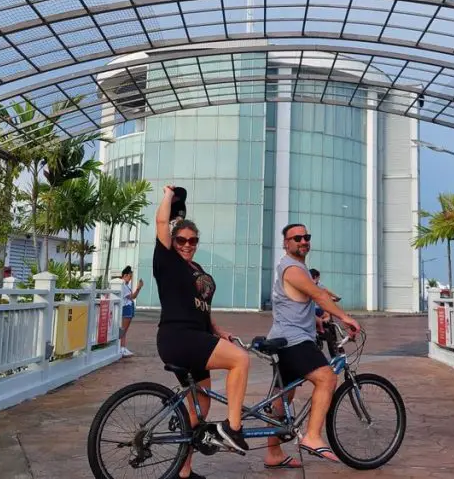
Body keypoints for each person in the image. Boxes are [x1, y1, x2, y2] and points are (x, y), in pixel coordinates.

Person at [152, 185, 251, 478]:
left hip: (196, 338)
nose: (186, 244)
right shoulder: (166, 259)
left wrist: (218, 331)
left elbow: (201, 307)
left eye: (192, 240)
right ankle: (233, 428)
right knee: (240, 360)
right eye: (181, 239)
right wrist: (169, 195)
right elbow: (160, 222)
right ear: (172, 239)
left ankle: (184, 471)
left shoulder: (194, 266)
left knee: (201, 404)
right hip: (178, 338)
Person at [264, 224, 360, 468]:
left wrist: (316, 321)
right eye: (296, 238)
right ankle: (313, 437)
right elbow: (318, 296)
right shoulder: (292, 268)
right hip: (293, 340)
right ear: (286, 243)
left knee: (283, 395)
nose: (303, 241)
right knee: (326, 378)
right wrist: (345, 317)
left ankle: (273, 453)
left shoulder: (297, 268)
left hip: (284, 338)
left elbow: (301, 298)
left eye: (306, 237)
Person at [118, 266, 143, 357]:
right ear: (125, 275)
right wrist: (138, 288)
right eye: (130, 276)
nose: (131, 278)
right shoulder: (123, 286)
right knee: (123, 330)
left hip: (128, 308)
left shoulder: (125, 286)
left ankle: (123, 347)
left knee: (124, 330)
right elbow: (132, 297)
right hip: (126, 308)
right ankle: (121, 348)